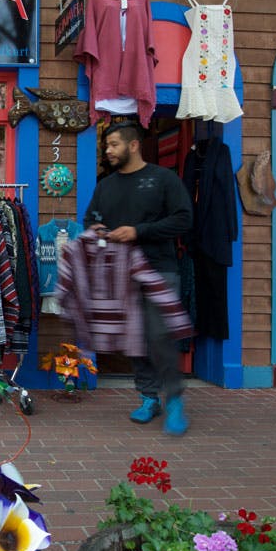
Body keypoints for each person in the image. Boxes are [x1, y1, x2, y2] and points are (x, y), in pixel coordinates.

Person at [82, 121, 194, 435]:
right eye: (107, 145)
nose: (108, 150)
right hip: (119, 271)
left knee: (159, 336)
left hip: (159, 269)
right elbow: (91, 217)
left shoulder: (164, 179)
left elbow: (184, 219)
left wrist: (138, 231)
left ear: (133, 145)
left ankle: (173, 400)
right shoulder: (105, 185)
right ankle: (148, 397)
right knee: (134, 339)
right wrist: (96, 229)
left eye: (114, 144)